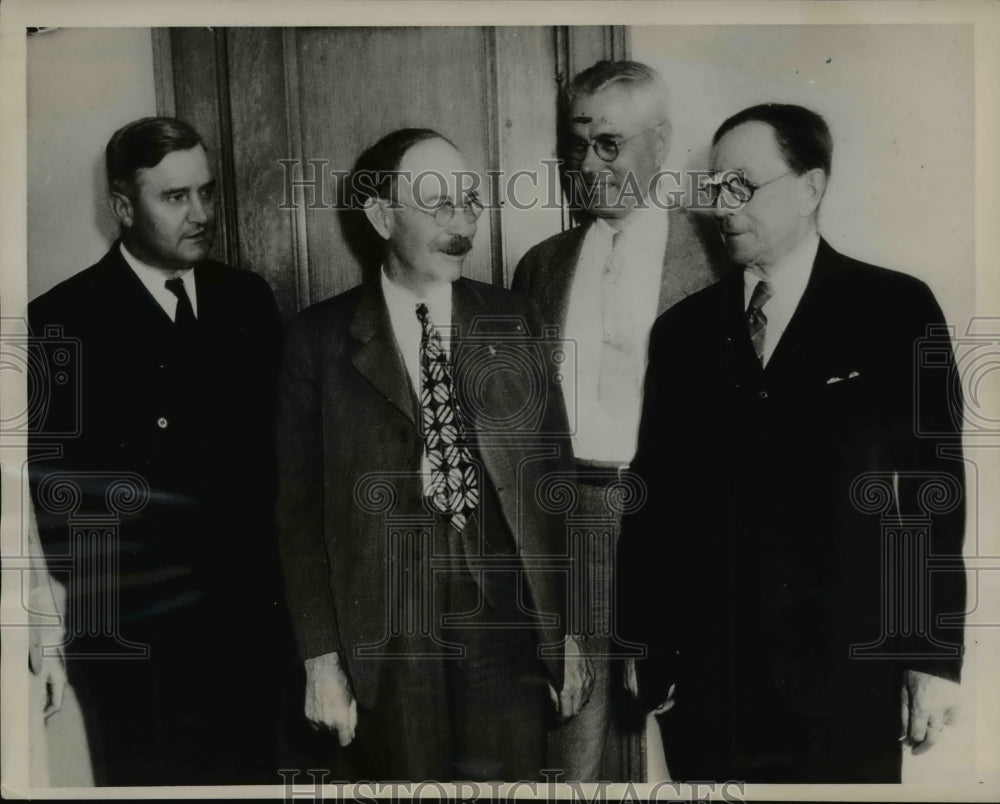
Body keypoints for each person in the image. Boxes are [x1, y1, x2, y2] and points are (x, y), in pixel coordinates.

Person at [618, 103, 967, 782]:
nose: (724, 205)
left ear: (811, 187)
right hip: (709, 686)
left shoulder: (895, 308)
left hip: (846, 674)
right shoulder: (684, 331)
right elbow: (654, 498)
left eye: (744, 185)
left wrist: (932, 657)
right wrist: (645, 644)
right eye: (715, 187)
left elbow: (933, 491)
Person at [276, 128, 591, 781]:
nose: (462, 225)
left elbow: (552, 481)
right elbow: (299, 514)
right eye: (438, 205)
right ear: (381, 215)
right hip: (387, 633)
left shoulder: (514, 319)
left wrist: (568, 634)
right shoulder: (317, 341)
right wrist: (320, 660)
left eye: (469, 202)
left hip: (505, 620)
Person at [28, 116, 288, 785]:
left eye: (206, 192)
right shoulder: (61, 322)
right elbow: (57, 503)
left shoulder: (247, 301)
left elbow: (280, 467)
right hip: (138, 652)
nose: (201, 213)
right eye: (175, 197)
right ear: (122, 206)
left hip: (252, 635)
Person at [511, 60, 728, 781]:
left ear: (660, 142)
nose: (586, 165)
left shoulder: (717, 256)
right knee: (566, 751)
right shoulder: (540, 266)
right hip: (567, 520)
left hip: (672, 523)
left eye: (608, 144)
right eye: (576, 147)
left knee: (688, 747)